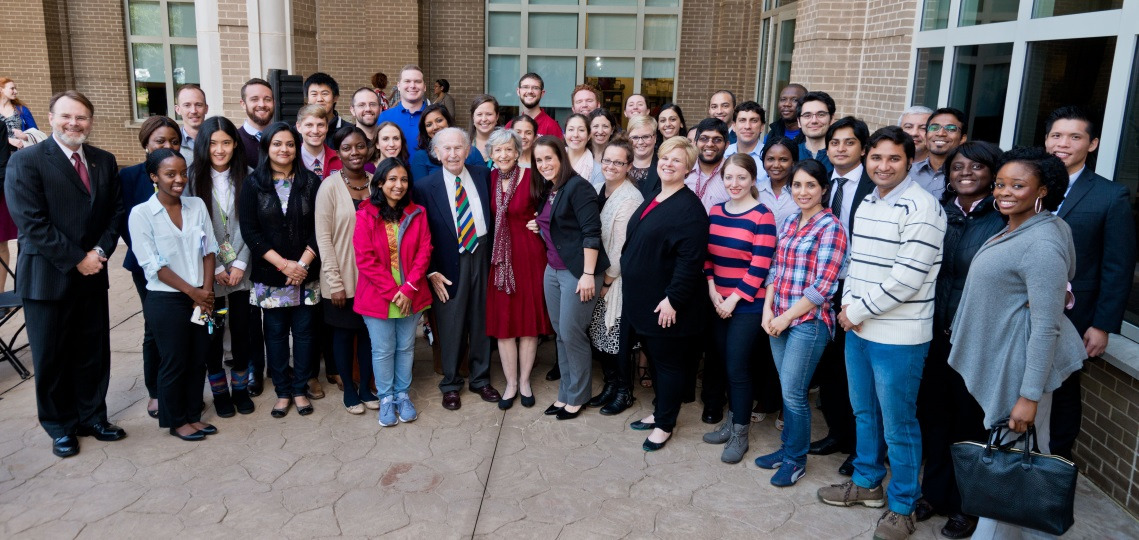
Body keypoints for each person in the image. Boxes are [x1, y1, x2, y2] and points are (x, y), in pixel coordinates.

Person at [948, 147, 1086, 539]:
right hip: (1009, 358)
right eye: (1001, 184)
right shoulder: (1021, 226)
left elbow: (1046, 326)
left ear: (1043, 188)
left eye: (1018, 185)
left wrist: (1028, 396)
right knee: (1019, 460)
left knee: (1006, 466)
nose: (1004, 192)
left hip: (1020, 366)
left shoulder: (1041, 241)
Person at [818, 126, 946, 540]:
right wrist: (848, 307)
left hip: (900, 336)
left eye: (894, 158)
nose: (883, 166)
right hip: (858, 326)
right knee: (864, 412)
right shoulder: (869, 202)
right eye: (876, 157)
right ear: (866, 159)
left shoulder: (923, 207)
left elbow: (907, 279)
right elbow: (854, 263)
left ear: (910, 160)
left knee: (899, 423)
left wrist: (855, 310)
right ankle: (867, 483)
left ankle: (903, 505)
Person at [6, 90, 126, 458]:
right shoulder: (27, 161)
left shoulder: (104, 161)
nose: (74, 123)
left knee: (92, 352)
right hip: (48, 276)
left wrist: (100, 252)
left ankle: (93, 417)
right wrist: (77, 258)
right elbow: (31, 222)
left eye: (82, 117)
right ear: (51, 117)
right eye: (66, 117)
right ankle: (60, 427)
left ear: (90, 121)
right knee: (52, 356)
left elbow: (115, 213)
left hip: (93, 273)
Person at [914, 141, 1004, 538]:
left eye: (977, 166)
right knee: (934, 417)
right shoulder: (938, 213)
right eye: (957, 166)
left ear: (993, 173)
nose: (965, 173)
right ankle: (933, 492)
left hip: (976, 339)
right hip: (932, 332)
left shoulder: (1002, 219)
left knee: (970, 424)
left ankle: (966, 505)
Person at [1045, 106, 1135, 461]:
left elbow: (1118, 266)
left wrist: (1102, 325)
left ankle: (1052, 470)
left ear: (1092, 144)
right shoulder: (1024, 183)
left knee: (1062, 393)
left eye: (1074, 136)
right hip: (1016, 308)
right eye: (1056, 135)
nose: (1062, 144)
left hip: (1073, 315)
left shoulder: (1110, 196)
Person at [757, 159, 847, 486]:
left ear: (824, 189)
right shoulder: (791, 221)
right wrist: (768, 311)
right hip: (777, 317)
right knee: (787, 388)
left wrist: (784, 317)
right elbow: (774, 270)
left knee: (795, 393)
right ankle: (786, 450)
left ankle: (795, 460)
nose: (803, 191)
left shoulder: (831, 227)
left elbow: (823, 286)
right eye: (797, 185)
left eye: (811, 185)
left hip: (808, 322)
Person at [623, 136, 709, 451]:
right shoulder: (658, 195)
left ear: (688, 168)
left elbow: (690, 261)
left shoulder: (690, 209)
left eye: (677, 160)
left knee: (670, 364)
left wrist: (673, 299)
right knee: (657, 361)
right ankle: (660, 410)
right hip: (645, 300)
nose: (668, 164)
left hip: (667, 304)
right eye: (665, 158)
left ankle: (665, 424)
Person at [128, 149, 218, 441]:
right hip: (166, 299)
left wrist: (205, 292)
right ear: (154, 177)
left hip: (200, 295)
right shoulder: (142, 214)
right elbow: (153, 266)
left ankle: (193, 415)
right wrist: (194, 293)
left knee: (198, 358)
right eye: (170, 174)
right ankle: (176, 420)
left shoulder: (196, 206)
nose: (179, 179)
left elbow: (209, 250)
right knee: (175, 360)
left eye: (183, 173)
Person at [412, 127, 502, 410]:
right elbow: (421, 234)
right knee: (450, 325)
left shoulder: (483, 176)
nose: (453, 154)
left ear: (467, 151)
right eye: (446, 149)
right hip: (448, 264)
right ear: (437, 153)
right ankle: (450, 383)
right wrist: (430, 270)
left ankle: (480, 378)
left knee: (482, 321)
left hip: (482, 255)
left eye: (458, 148)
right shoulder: (425, 187)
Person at [238, 122, 321, 419]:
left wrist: (301, 265)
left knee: (304, 334)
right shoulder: (253, 183)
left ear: (296, 147)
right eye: (277, 144)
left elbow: (319, 228)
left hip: (306, 273)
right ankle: (283, 392)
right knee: (273, 334)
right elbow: (250, 230)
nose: (283, 149)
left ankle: (300, 389)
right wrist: (284, 264)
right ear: (266, 148)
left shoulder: (311, 182)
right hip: (270, 274)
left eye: (289, 144)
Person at [810, 119, 876, 475]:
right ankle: (837, 432)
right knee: (832, 368)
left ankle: (862, 448)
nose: (840, 149)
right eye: (834, 143)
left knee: (860, 374)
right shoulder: (824, 182)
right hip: (824, 286)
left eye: (848, 143)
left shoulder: (872, 185)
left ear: (862, 148)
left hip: (859, 289)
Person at [702, 153, 777, 464]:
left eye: (741, 178)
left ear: (752, 180)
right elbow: (707, 258)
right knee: (722, 364)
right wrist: (712, 291)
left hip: (747, 305)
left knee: (738, 369)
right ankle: (731, 422)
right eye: (729, 178)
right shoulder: (716, 212)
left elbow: (760, 267)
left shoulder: (764, 216)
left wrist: (732, 299)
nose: (734, 183)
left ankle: (740, 433)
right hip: (718, 302)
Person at [530, 136, 607, 420]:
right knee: (560, 334)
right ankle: (566, 393)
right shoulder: (550, 189)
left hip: (579, 272)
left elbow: (591, 232)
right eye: (539, 160)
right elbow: (558, 223)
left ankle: (578, 396)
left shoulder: (579, 187)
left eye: (549, 158)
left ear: (562, 157)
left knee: (572, 334)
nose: (544, 164)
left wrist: (588, 274)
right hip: (553, 271)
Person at [187, 116, 257, 418]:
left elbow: (251, 224)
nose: (219, 149)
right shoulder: (190, 180)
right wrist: (214, 266)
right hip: (208, 272)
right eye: (213, 143)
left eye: (226, 142)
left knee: (242, 332)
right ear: (203, 145)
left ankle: (240, 388)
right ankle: (219, 393)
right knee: (213, 334)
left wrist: (240, 261)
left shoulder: (250, 176)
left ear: (235, 145)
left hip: (242, 270)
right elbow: (194, 229)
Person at [355, 157, 433, 426]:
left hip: (412, 292)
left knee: (407, 348)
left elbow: (425, 251)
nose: (398, 185)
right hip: (378, 295)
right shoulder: (365, 214)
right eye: (392, 179)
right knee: (383, 350)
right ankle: (386, 397)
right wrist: (393, 292)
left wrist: (408, 289)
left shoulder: (417, 213)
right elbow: (365, 259)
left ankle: (402, 394)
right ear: (379, 182)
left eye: (403, 180)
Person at [118, 115, 182, 420]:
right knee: (154, 328)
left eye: (173, 141)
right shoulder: (130, 177)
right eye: (160, 141)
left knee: (185, 325)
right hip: (147, 267)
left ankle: (182, 387)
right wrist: (148, 256)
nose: (167, 146)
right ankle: (156, 391)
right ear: (146, 144)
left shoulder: (183, 173)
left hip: (185, 265)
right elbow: (122, 221)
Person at [484, 128, 552, 409]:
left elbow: (553, 206)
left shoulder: (534, 176)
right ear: (491, 154)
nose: (503, 155)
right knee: (505, 325)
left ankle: (524, 381)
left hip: (529, 255)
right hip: (500, 260)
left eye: (508, 149)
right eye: (497, 150)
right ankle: (510, 383)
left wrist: (542, 221)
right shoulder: (487, 179)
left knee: (528, 324)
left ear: (518, 151)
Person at [317, 126, 381, 415]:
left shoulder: (376, 182)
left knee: (370, 335)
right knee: (343, 337)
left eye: (359, 146)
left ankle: (366, 387)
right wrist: (335, 282)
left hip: (374, 279)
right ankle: (349, 390)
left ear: (368, 148)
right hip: (341, 278)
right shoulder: (329, 187)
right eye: (346, 148)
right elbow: (323, 238)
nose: (354, 153)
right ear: (338, 152)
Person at [586, 137, 643, 415]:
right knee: (599, 334)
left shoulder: (630, 198)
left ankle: (624, 392)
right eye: (607, 160)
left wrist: (607, 282)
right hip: (597, 273)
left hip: (617, 279)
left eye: (618, 162)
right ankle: (609, 385)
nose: (610, 166)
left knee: (617, 337)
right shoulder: (598, 188)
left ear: (629, 166)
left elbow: (621, 249)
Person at [687, 118, 734, 425]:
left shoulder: (731, 176)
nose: (709, 144)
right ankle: (682, 391)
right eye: (704, 138)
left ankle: (713, 400)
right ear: (696, 141)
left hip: (719, 268)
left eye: (717, 139)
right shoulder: (683, 170)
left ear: (725, 143)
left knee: (718, 340)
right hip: (686, 264)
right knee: (687, 334)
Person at [410, 103, 484, 179]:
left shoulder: (472, 152)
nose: (435, 127)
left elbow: (483, 184)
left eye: (439, 120)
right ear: (425, 130)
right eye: (429, 125)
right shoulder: (421, 156)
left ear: (448, 121)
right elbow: (420, 189)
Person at [910, 107, 968, 200]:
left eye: (951, 129)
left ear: (962, 139)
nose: (941, 133)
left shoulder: (968, 176)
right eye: (934, 127)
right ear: (926, 136)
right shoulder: (908, 172)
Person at [378, 65, 429, 151]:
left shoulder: (436, 118)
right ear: (398, 86)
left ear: (424, 87)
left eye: (417, 81)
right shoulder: (384, 117)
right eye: (407, 81)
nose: (412, 85)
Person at [758, 135, 800, 226]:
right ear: (763, 161)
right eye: (770, 159)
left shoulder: (801, 192)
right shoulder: (755, 191)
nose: (776, 165)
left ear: (793, 162)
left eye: (783, 160)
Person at [507, 73, 562, 138]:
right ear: (518, 91)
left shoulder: (552, 127)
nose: (530, 91)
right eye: (525, 87)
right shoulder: (510, 126)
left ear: (542, 93)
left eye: (535, 88)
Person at [296, 104, 341, 180]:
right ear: (299, 127)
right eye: (309, 125)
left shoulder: (339, 159)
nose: (315, 131)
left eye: (320, 125)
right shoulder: (291, 159)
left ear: (327, 127)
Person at [237, 78, 275, 165]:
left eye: (267, 99)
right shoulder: (234, 140)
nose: (262, 104)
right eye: (254, 99)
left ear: (274, 103)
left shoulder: (286, 139)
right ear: (243, 104)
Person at [796, 91, 835, 173]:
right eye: (807, 115)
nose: (814, 121)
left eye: (821, 114)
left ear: (831, 119)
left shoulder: (840, 155)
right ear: (799, 121)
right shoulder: (792, 154)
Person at [304, 72, 349, 139]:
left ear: (335, 98)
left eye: (324, 94)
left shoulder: (349, 131)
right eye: (314, 94)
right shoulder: (298, 131)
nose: (319, 99)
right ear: (308, 99)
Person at [174, 84, 208, 166]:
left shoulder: (218, 141)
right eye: (187, 105)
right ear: (178, 110)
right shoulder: (172, 144)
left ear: (206, 109)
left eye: (198, 105)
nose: (193, 111)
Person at [725, 101, 767, 166]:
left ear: (762, 127)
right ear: (734, 126)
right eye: (742, 120)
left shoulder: (770, 156)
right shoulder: (723, 154)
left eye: (754, 121)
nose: (747, 126)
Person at [0, 77, 37, 149]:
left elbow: (35, 132)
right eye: (12, 88)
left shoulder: (22, 110)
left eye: (15, 88)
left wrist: (25, 136)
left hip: (19, 153)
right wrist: (8, 140)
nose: (16, 91)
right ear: (1, 89)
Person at [564, 113, 602, 182]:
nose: (575, 135)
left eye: (581, 130)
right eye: (571, 129)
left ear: (589, 136)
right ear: (565, 135)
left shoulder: (597, 171)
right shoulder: (554, 159)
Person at [469, 94, 500, 166]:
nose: (484, 119)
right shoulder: (464, 145)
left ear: (497, 117)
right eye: (479, 114)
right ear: (473, 117)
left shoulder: (506, 145)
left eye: (489, 114)